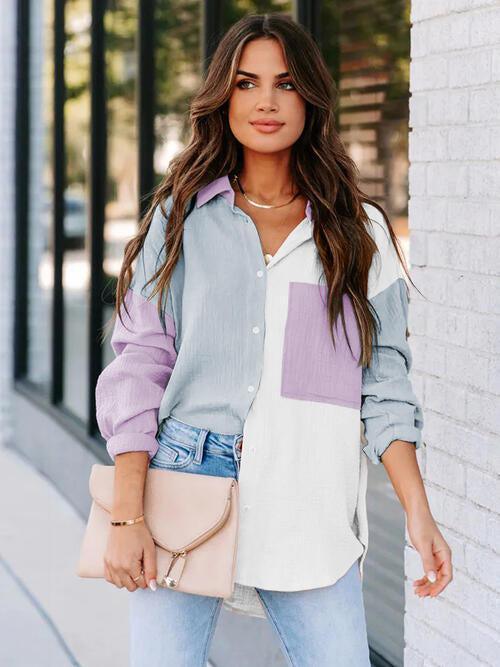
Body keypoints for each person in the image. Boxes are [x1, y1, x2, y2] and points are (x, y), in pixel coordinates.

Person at [95, 13, 453, 666]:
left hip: (307, 495)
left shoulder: (358, 230)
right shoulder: (179, 221)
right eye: (246, 82)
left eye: (285, 84)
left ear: (310, 98)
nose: (265, 100)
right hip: (183, 483)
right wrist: (126, 516)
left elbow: (385, 386)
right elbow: (139, 366)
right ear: (223, 97)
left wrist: (419, 513)